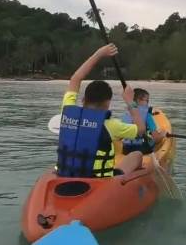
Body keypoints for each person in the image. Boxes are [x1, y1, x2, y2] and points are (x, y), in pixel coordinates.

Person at [56, 43, 146, 178]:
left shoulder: (67, 112)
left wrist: (98, 54)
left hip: (65, 175)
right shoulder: (111, 125)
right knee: (137, 155)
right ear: (107, 104)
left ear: (83, 100)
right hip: (98, 183)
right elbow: (141, 129)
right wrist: (130, 102)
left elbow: (76, 78)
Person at [121, 88, 167, 155]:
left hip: (126, 149)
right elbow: (156, 138)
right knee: (152, 140)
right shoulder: (147, 115)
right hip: (141, 149)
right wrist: (163, 133)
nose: (148, 103)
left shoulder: (126, 113)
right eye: (147, 101)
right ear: (138, 100)